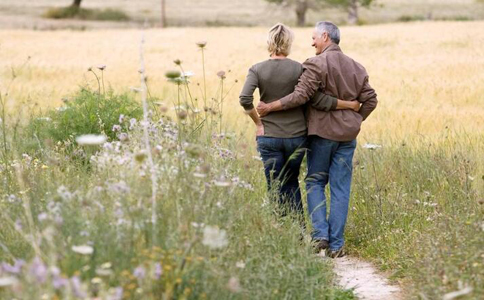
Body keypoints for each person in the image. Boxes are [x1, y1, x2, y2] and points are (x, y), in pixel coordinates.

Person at [257, 21, 378, 258]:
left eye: (314, 37)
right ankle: (336, 245)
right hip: (347, 137)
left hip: (322, 135)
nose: (312, 42)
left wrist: (270, 106)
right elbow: (371, 100)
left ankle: (320, 235)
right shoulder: (357, 66)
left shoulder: (315, 63)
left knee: (314, 182)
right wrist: (355, 121)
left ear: (325, 36)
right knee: (341, 189)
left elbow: (302, 96)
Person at [239, 23, 359, 221]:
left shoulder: (257, 69)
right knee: (292, 182)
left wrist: (258, 123)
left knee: (275, 185)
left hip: (269, 136)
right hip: (296, 137)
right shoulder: (300, 68)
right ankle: (300, 233)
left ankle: (279, 231)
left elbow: (245, 99)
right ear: (289, 43)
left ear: (269, 43)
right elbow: (312, 98)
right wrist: (349, 105)